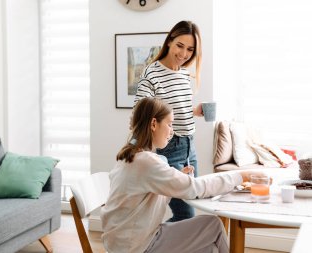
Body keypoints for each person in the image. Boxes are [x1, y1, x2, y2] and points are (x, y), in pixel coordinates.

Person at [101, 97, 264, 253]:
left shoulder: (130, 156)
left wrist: (175, 177)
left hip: (124, 242)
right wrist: (241, 176)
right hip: (138, 246)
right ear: (153, 124)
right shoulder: (147, 162)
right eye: (170, 124)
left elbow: (146, 196)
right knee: (213, 225)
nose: (172, 131)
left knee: (211, 249)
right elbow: (195, 188)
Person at [133, 20, 203, 221]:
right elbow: (141, 111)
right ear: (170, 40)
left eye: (190, 49)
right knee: (185, 215)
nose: (183, 54)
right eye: (180, 46)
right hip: (170, 148)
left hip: (190, 146)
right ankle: (147, 241)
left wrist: (193, 110)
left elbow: (171, 107)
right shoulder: (152, 72)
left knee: (190, 208)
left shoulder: (183, 74)